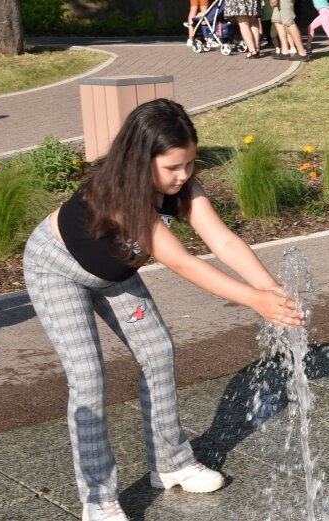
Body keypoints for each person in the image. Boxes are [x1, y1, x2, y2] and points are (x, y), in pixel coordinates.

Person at [22, 99, 305, 520]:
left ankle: (171, 462)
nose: (183, 175)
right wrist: (254, 300)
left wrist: (272, 292)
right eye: (172, 167)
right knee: (88, 376)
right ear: (141, 159)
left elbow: (222, 241)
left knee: (157, 352)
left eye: (189, 163)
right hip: (57, 270)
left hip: (115, 274)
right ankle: (98, 498)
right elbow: (183, 262)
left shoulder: (183, 188)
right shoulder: (120, 195)